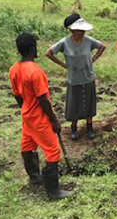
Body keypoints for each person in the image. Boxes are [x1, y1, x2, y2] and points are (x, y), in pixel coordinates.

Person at [9, 33, 73, 200]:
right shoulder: (35, 72)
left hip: (27, 116)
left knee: (27, 147)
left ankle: (35, 178)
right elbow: (43, 99)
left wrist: (25, 109)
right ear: (32, 48)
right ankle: (53, 191)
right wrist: (53, 120)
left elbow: (17, 95)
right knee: (52, 151)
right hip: (39, 118)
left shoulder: (14, 69)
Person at [46, 13, 106, 141]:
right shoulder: (65, 43)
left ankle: (89, 126)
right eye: (80, 30)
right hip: (73, 79)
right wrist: (63, 64)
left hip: (88, 77)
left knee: (89, 103)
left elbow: (102, 47)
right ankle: (74, 128)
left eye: (83, 30)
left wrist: (93, 59)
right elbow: (49, 53)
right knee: (74, 104)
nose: (82, 32)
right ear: (72, 30)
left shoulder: (89, 41)